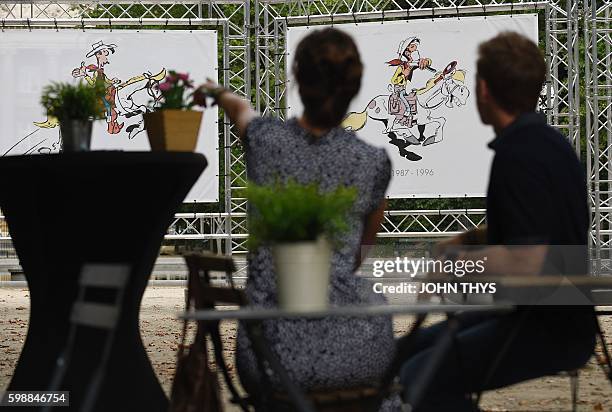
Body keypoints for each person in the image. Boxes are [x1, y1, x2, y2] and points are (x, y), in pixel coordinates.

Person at [196, 28, 401, 410]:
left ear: (298, 79)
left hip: (270, 352)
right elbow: (356, 257)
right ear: (352, 88)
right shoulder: (373, 163)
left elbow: (240, 109)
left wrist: (216, 91)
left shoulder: (265, 141)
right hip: (355, 350)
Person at [397, 32, 597, 411]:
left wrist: (454, 265)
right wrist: (468, 242)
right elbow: (540, 228)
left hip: (548, 326)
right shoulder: (551, 145)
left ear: (484, 89)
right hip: (553, 314)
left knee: (420, 375)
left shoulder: (517, 155)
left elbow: (527, 260)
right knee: (407, 354)